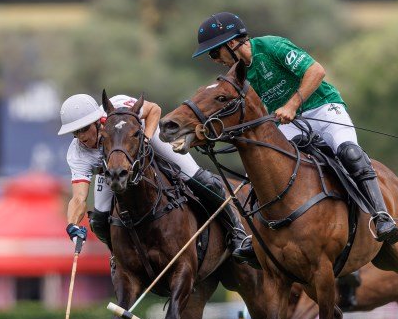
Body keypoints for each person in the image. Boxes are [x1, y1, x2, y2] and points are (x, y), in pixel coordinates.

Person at [193, 12, 398, 244]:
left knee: (349, 153)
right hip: (288, 123)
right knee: (262, 171)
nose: (214, 59)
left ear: (231, 43)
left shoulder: (271, 46)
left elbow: (316, 71)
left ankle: (381, 216)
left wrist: (292, 105)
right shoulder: (237, 75)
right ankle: (257, 235)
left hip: (323, 108)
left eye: (214, 52)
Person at [57, 92, 257, 265]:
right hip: (113, 171)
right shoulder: (77, 153)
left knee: (201, 180)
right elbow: (78, 198)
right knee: (99, 220)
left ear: (97, 121)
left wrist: (146, 138)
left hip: (145, 141)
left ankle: (237, 234)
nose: (81, 137)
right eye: (75, 132)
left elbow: (154, 109)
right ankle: (118, 256)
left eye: (84, 128)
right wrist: (72, 225)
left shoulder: (119, 105)